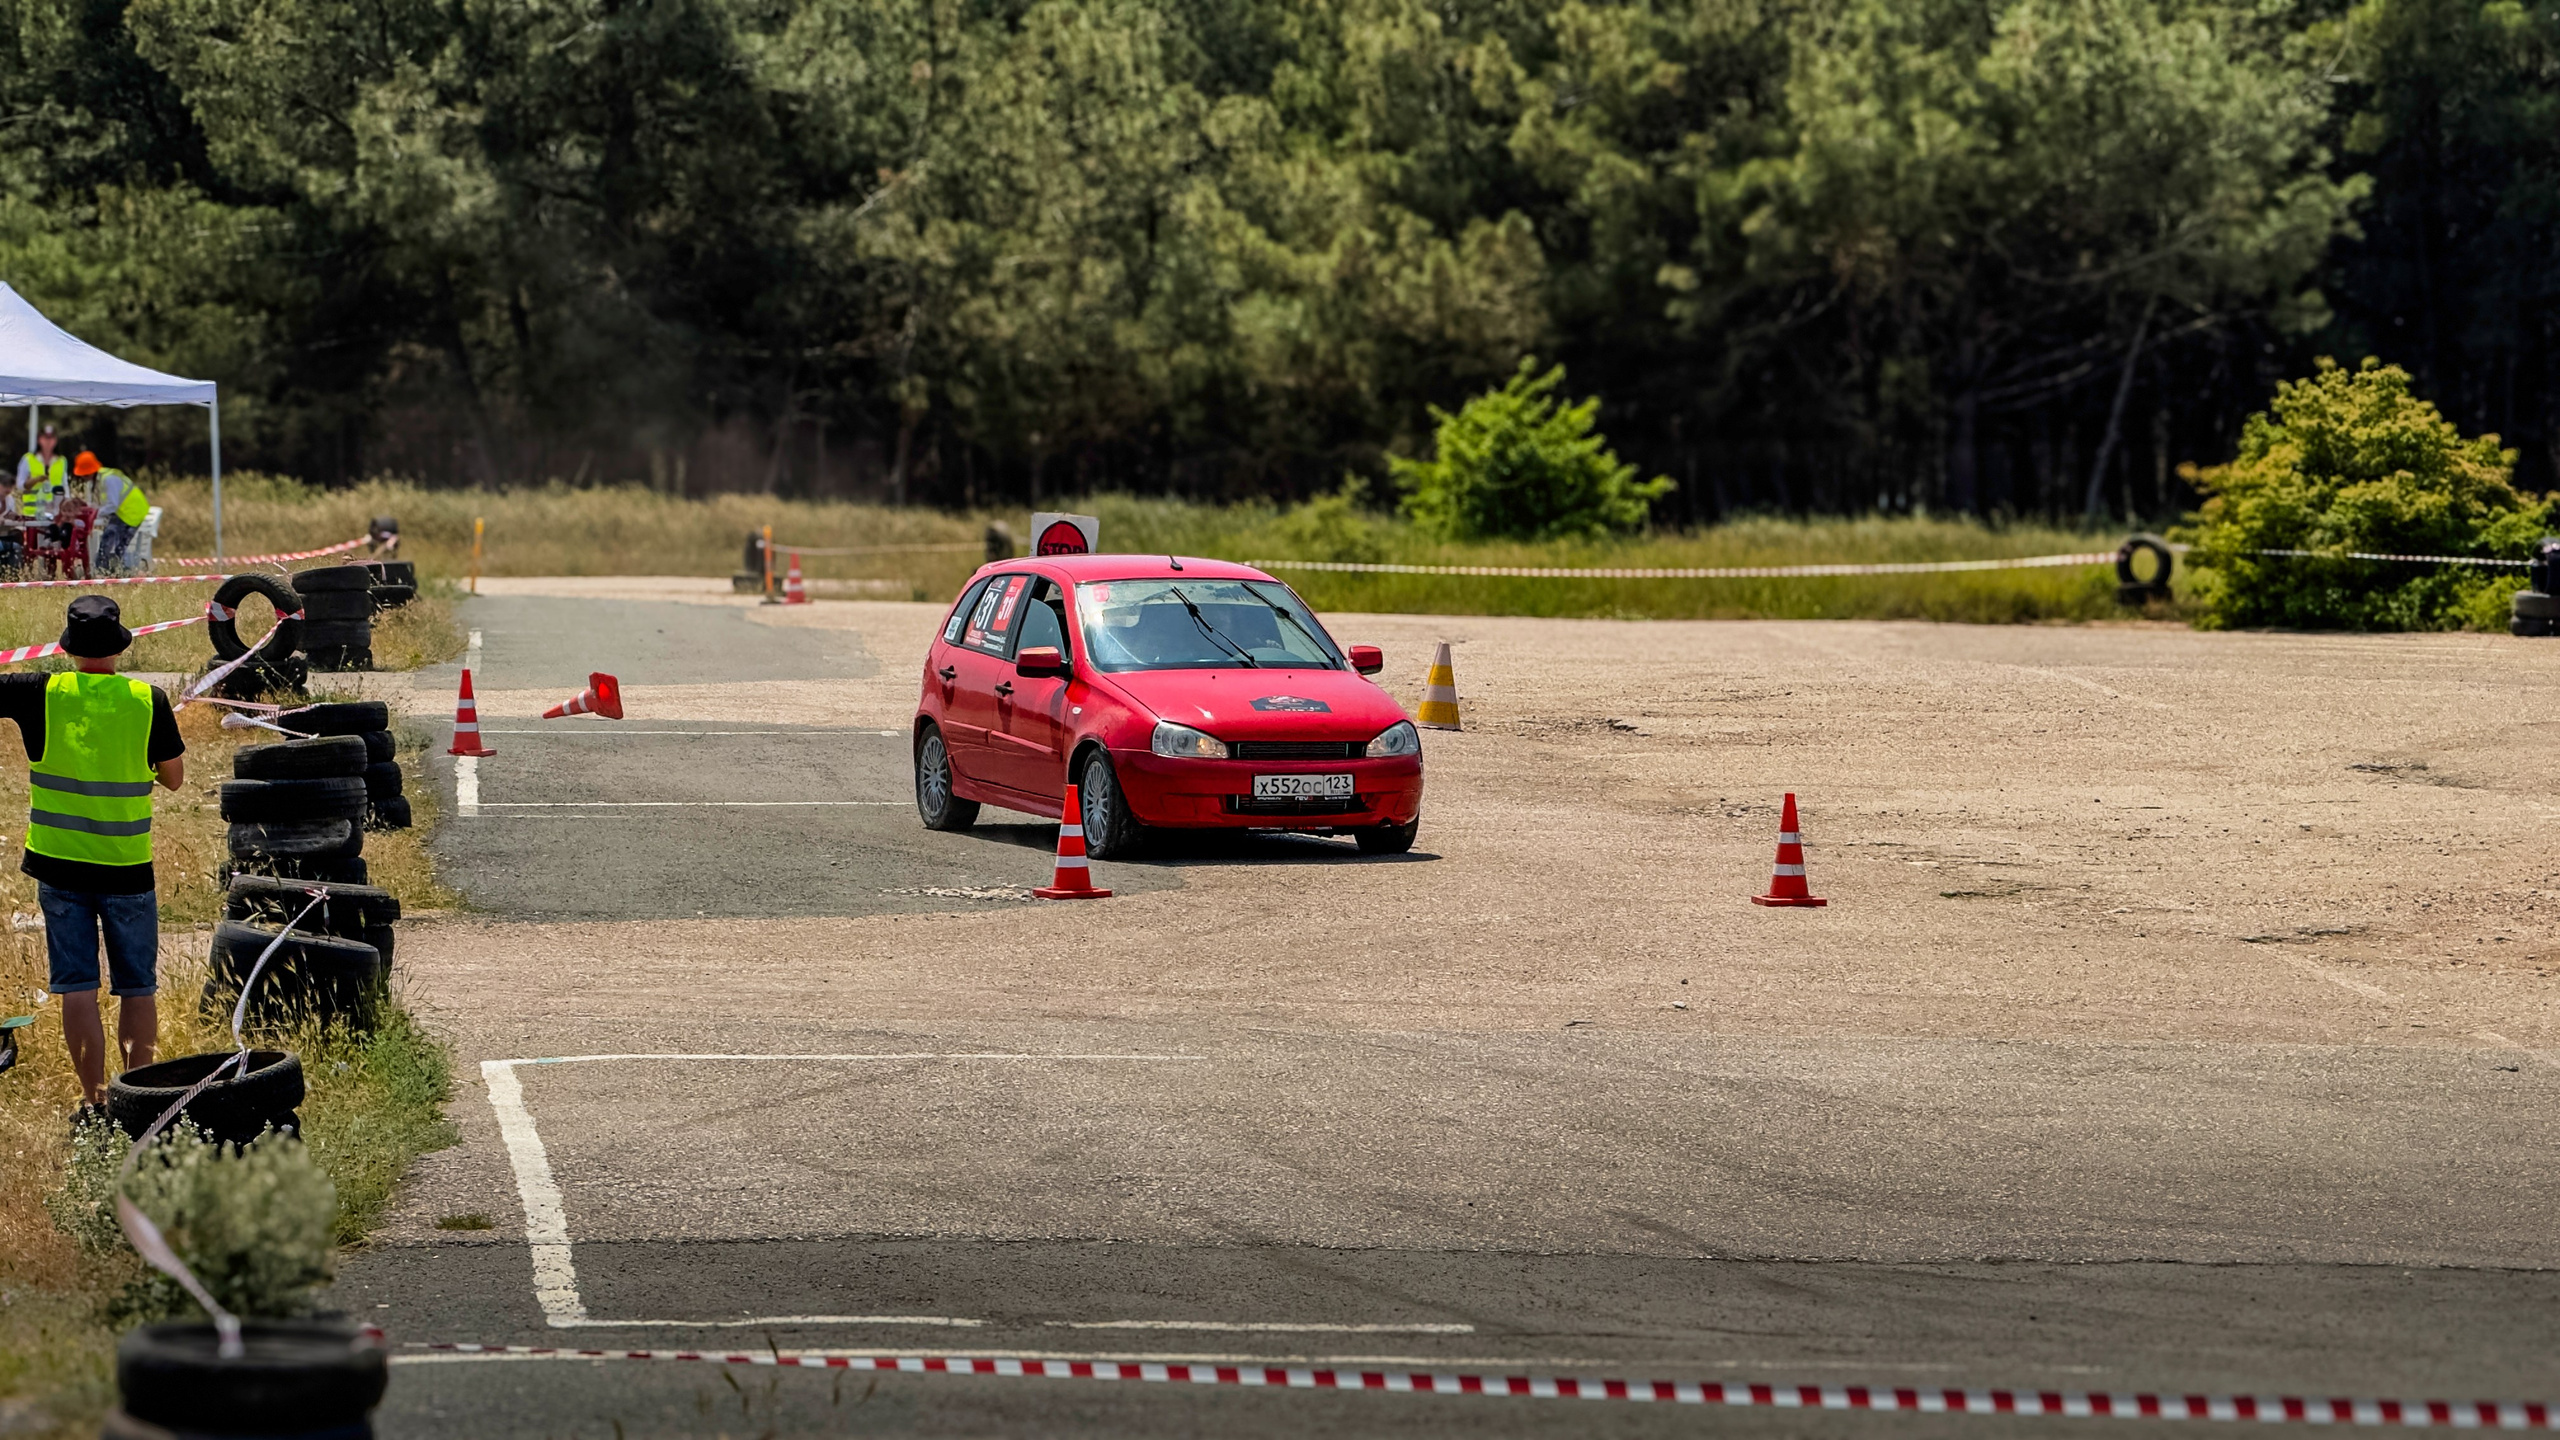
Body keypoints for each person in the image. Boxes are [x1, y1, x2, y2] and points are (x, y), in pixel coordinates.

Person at [0, 597, 186, 1122]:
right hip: (126, 866)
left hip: (58, 866)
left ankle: (94, 1100)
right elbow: (174, 779)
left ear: (67, 646)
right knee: (137, 987)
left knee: (76, 985)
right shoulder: (147, 699)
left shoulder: (41, 691)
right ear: (121, 646)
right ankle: (138, 1102)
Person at [75, 452, 148, 574]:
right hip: (123, 512)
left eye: (84, 474)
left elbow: (113, 505)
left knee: (114, 544)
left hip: (131, 512)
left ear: (90, 472)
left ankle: (109, 572)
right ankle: (107, 570)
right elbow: (105, 503)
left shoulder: (109, 479)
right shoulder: (101, 479)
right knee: (110, 542)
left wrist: (95, 513)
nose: (83, 477)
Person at [14, 423, 67, 519]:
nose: (48, 441)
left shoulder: (61, 461)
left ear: (56, 441)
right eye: (45, 438)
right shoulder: (28, 459)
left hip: (54, 514)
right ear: (39, 440)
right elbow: (20, 485)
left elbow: (65, 487)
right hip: (31, 513)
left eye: (51, 438)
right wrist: (35, 480)